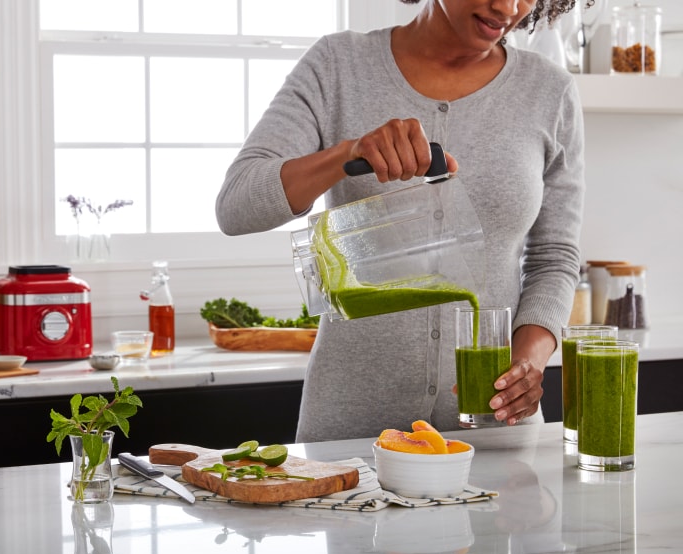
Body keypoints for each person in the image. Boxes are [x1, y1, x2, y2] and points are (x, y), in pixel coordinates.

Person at [216, 0, 586, 442]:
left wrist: (527, 364)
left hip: (495, 432)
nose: (507, 7)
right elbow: (236, 206)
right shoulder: (339, 65)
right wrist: (348, 153)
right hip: (349, 435)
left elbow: (554, 258)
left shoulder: (549, 91)